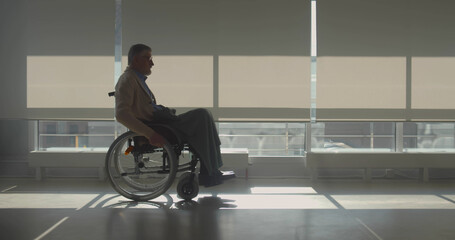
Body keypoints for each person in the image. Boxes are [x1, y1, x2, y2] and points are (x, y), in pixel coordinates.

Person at [115, 43, 234, 187]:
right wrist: (149, 133)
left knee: (205, 116)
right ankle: (209, 173)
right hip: (158, 126)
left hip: (163, 121)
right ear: (135, 60)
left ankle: (212, 170)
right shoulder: (127, 80)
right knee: (202, 115)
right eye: (148, 58)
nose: (152, 63)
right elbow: (121, 114)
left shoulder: (136, 79)